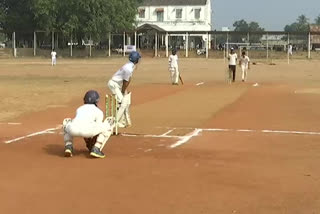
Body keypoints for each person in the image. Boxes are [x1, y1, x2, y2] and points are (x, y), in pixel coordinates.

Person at [62, 90, 114, 158]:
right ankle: (96, 148)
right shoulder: (98, 111)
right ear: (96, 100)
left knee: (66, 121)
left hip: (73, 130)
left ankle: (68, 146)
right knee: (110, 121)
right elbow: (98, 125)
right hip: (89, 132)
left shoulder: (79, 109)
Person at [107, 51, 141, 128]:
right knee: (123, 102)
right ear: (136, 60)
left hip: (117, 85)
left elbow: (128, 80)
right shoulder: (128, 68)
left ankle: (123, 121)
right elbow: (125, 81)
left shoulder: (130, 66)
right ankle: (115, 122)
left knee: (125, 102)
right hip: (114, 84)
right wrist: (123, 91)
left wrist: (124, 90)